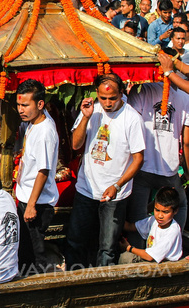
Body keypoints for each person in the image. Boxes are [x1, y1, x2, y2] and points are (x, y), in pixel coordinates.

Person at [66, 73, 145, 269]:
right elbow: (76, 145)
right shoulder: (92, 111)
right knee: (76, 239)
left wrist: (117, 186)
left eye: (112, 98)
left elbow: (138, 159)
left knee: (108, 247)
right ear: (96, 94)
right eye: (103, 98)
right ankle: (74, 283)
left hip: (115, 195)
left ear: (121, 94)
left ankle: (102, 289)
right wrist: (85, 118)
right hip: (86, 188)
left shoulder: (132, 118)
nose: (108, 103)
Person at [126, 77, 189, 247]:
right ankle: (173, 244)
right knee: (180, 205)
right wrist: (188, 173)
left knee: (137, 215)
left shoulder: (141, 90)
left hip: (142, 166)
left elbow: (131, 125)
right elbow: (187, 143)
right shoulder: (185, 96)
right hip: (169, 169)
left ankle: (136, 251)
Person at [15, 79, 59, 274]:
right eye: (18, 105)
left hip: (38, 203)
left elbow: (43, 171)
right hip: (26, 196)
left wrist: (31, 205)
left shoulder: (45, 132)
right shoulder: (34, 122)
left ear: (40, 104)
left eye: (25, 105)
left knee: (34, 252)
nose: (20, 110)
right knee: (24, 247)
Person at [119, 187, 182, 264]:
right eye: (157, 210)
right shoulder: (153, 221)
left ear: (175, 211)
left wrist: (128, 248)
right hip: (153, 259)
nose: (160, 215)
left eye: (165, 212)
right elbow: (130, 227)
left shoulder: (172, 230)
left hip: (165, 263)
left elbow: (149, 257)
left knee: (126, 258)